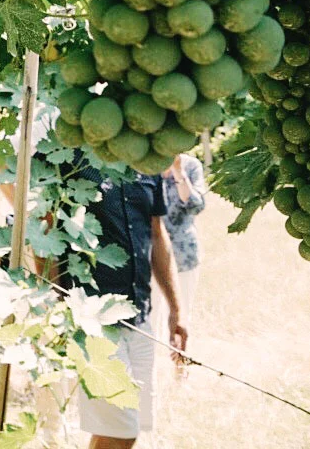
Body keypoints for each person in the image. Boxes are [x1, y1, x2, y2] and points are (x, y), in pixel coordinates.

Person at [66, 153, 189, 449]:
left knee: (123, 428)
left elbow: (157, 235)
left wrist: (176, 308)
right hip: (94, 319)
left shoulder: (149, 163)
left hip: (140, 315)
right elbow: (46, 226)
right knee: (121, 431)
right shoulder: (76, 160)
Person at [151, 152, 206, 371]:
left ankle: (180, 370)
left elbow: (195, 206)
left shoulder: (191, 165)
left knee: (182, 314)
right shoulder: (145, 164)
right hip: (152, 255)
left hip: (183, 255)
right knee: (151, 314)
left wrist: (178, 171)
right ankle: (151, 369)